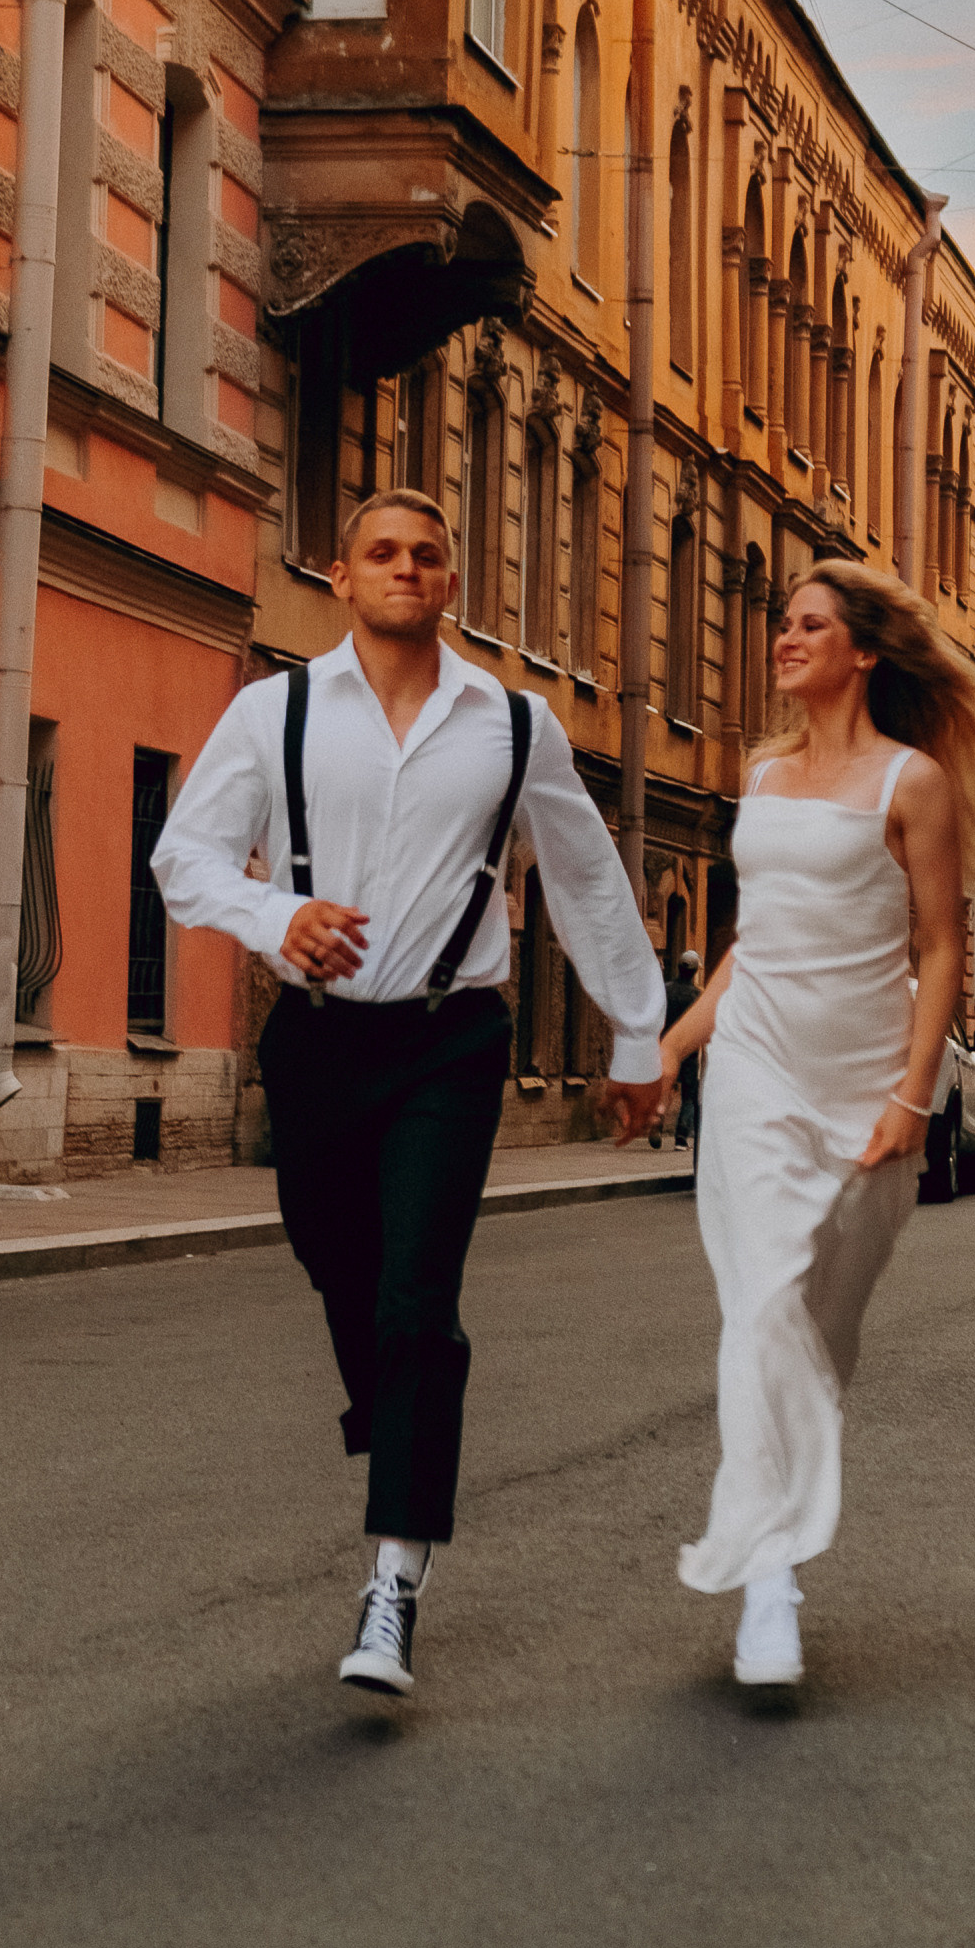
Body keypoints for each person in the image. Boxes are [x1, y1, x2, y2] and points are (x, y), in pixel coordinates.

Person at [152, 487, 665, 1700]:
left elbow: (587, 879)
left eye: (426, 556)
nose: (403, 569)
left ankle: (392, 1583)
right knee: (337, 1266)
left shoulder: (511, 725)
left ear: (448, 584)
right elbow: (182, 859)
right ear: (342, 577)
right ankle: (395, 1409)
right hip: (320, 1043)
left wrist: (637, 1035)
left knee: (414, 1297)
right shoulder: (272, 712)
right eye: (380, 552)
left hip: (452, 1039)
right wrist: (279, 916)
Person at [657, 561, 975, 1688]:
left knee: (820, 1329)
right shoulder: (757, 778)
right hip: (756, 1066)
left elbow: (941, 948)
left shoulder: (910, 783)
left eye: (808, 625)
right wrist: (671, 1046)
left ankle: (776, 1537)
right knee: (758, 1308)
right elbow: (750, 947)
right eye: (781, 623)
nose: (783, 638)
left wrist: (913, 1099)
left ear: (862, 652)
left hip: (863, 1081)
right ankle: (770, 1583)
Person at [650, 948, 703, 1153]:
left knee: (665, 1089)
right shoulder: (697, 996)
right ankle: (681, 1138)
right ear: (696, 970)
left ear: (679, 968)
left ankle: (657, 1119)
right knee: (689, 1095)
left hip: (665, 1047)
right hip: (688, 1051)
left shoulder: (665, 990)